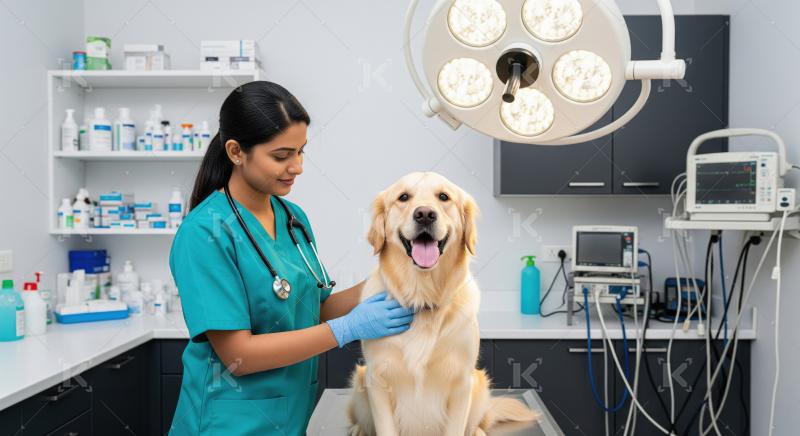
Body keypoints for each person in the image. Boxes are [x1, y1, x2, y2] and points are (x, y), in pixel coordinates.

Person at [168, 81, 415, 435]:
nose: (297, 166)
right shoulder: (204, 233)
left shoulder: (293, 218)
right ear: (237, 152)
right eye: (281, 156)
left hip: (289, 419)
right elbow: (239, 356)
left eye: (301, 152)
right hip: (227, 424)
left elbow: (313, 307)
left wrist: (385, 282)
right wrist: (346, 329)